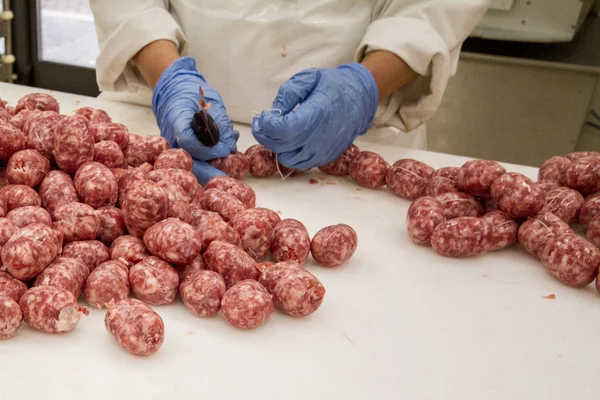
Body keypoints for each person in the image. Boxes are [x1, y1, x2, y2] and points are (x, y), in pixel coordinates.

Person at [90, 0, 490, 184]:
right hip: (157, 111)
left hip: (353, 133)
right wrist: (169, 76)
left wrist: (363, 87)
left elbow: (436, 8)